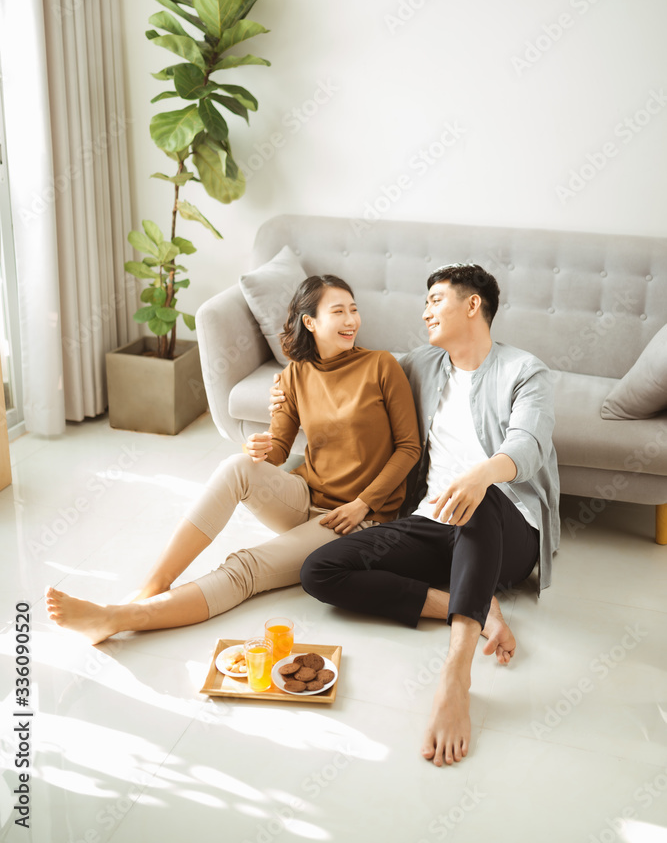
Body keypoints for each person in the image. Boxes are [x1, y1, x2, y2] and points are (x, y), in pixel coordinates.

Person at [283, 264, 559, 768]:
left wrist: (483, 475)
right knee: (319, 570)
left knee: (476, 502)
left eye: (435, 299)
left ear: (472, 305)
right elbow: (354, 370)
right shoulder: (420, 365)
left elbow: (530, 443)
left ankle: (455, 677)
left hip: (506, 525)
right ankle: (469, 603)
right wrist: (287, 389)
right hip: (432, 522)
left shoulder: (525, 371)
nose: (425, 310)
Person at [46, 274, 421, 644]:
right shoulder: (293, 377)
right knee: (235, 467)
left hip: (356, 521)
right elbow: (278, 449)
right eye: (338, 311)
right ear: (311, 322)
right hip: (307, 497)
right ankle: (155, 584)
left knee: (245, 566)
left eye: (354, 310)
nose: (351, 320)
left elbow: (409, 448)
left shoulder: (381, 365)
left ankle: (118, 618)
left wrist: (363, 504)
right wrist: (259, 449)